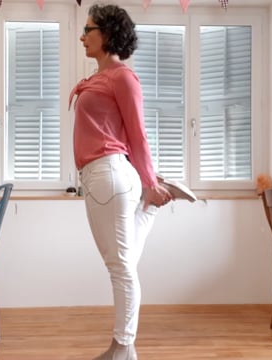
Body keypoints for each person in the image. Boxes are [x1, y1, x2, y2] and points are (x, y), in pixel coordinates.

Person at [68, 3, 196, 360]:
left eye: (89, 29)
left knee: (120, 267)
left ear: (107, 34)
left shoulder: (123, 77)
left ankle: (122, 348)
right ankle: (155, 203)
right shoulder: (99, 78)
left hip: (108, 174)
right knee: (122, 262)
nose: (82, 36)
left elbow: (138, 135)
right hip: (102, 176)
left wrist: (149, 179)